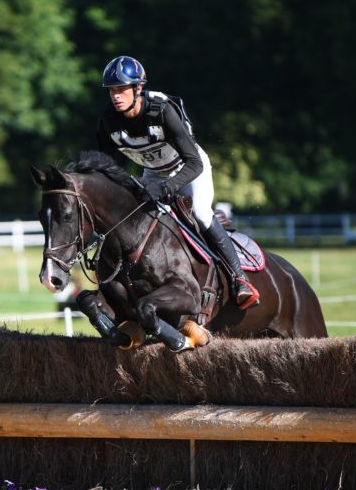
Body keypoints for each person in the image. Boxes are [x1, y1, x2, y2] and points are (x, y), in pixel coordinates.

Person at [95, 55, 255, 308]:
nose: (116, 96)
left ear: (138, 88)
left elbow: (194, 163)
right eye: (112, 90)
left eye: (122, 89)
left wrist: (166, 187)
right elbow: (110, 170)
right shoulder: (108, 122)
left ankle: (240, 278)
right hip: (152, 173)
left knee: (201, 214)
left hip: (189, 168)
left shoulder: (162, 111)